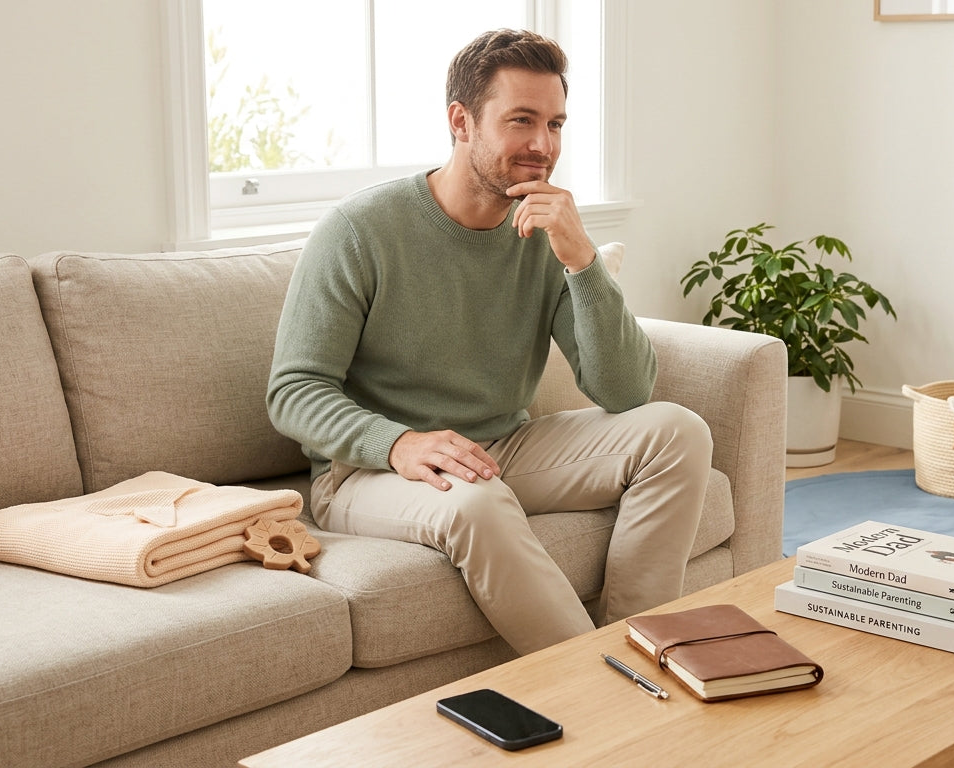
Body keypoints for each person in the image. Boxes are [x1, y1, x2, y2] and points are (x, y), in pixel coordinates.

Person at [267, 28, 712, 655]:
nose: (542, 145)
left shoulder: (546, 231)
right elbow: (293, 392)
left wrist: (582, 261)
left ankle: (640, 646)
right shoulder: (361, 229)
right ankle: (599, 680)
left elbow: (625, 390)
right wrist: (398, 442)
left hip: (500, 446)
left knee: (677, 430)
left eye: (556, 124)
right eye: (521, 121)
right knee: (475, 504)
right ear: (461, 121)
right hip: (370, 470)